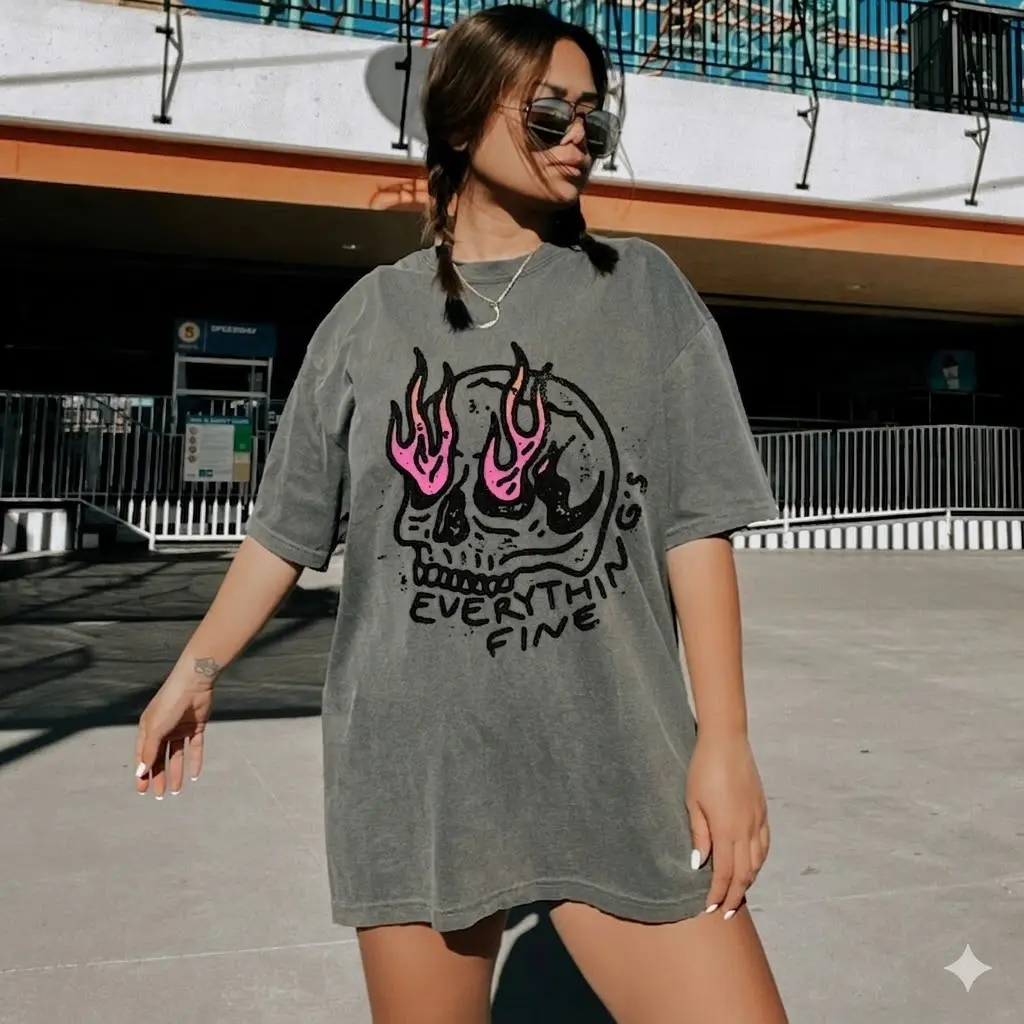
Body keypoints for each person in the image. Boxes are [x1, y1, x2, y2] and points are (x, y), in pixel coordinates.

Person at [132, 5, 788, 1021]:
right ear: (461, 118)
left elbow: (694, 525)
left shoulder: (642, 291)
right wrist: (197, 669)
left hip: (612, 757)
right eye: (550, 114)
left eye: (595, 119)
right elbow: (285, 530)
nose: (579, 138)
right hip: (415, 771)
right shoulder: (367, 319)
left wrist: (726, 741)